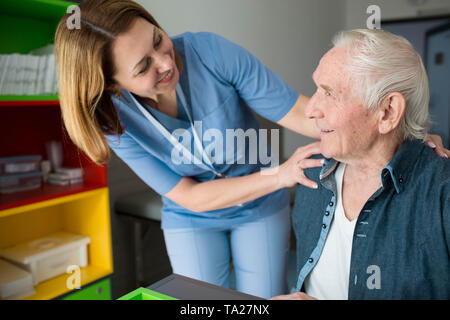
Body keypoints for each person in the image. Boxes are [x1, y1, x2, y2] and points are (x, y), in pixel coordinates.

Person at [54, 0, 447, 298]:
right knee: (202, 301)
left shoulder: (209, 52)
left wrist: (400, 133)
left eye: (159, 39)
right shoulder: (114, 120)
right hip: (195, 214)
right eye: (143, 67)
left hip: (262, 206)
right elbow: (188, 194)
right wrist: (279, 174)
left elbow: (299, 111)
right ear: (113, 86)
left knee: (260, 302)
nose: (165, 61)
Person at [272, 29, 450, 300]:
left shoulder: (441, 196)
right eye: (317, 89)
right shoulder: (311, 175)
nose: (310, 110)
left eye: (330, 94)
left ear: (387, 112)